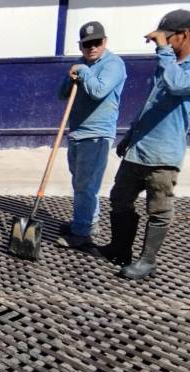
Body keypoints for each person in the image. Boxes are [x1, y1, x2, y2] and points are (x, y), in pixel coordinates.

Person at [98, 9, 190, 280]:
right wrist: (129, 136)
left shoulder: (178, 69)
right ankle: (120, 248)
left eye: (168, 38)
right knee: (120, 199)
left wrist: (162, 50)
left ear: (185, 35)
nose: (164, 44)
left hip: (163, 157)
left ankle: (148, 260)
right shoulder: (167, 63)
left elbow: (175, 85)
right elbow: (149, 104)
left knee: (159, 210)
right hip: (140, 149)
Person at [56, 21, 127, 248]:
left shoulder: (113, 65)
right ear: (81, 46)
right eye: (87, 45)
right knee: (80, 182)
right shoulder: (83, 65)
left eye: (96, 43)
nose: (92, 48)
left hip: (96, 135)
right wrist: (70, 77)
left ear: (105, 41)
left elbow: (98, 91)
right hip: (77, 133)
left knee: (86, 185)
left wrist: (83, 70)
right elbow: (61, 94)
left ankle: (82, 233)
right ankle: (86, 222)